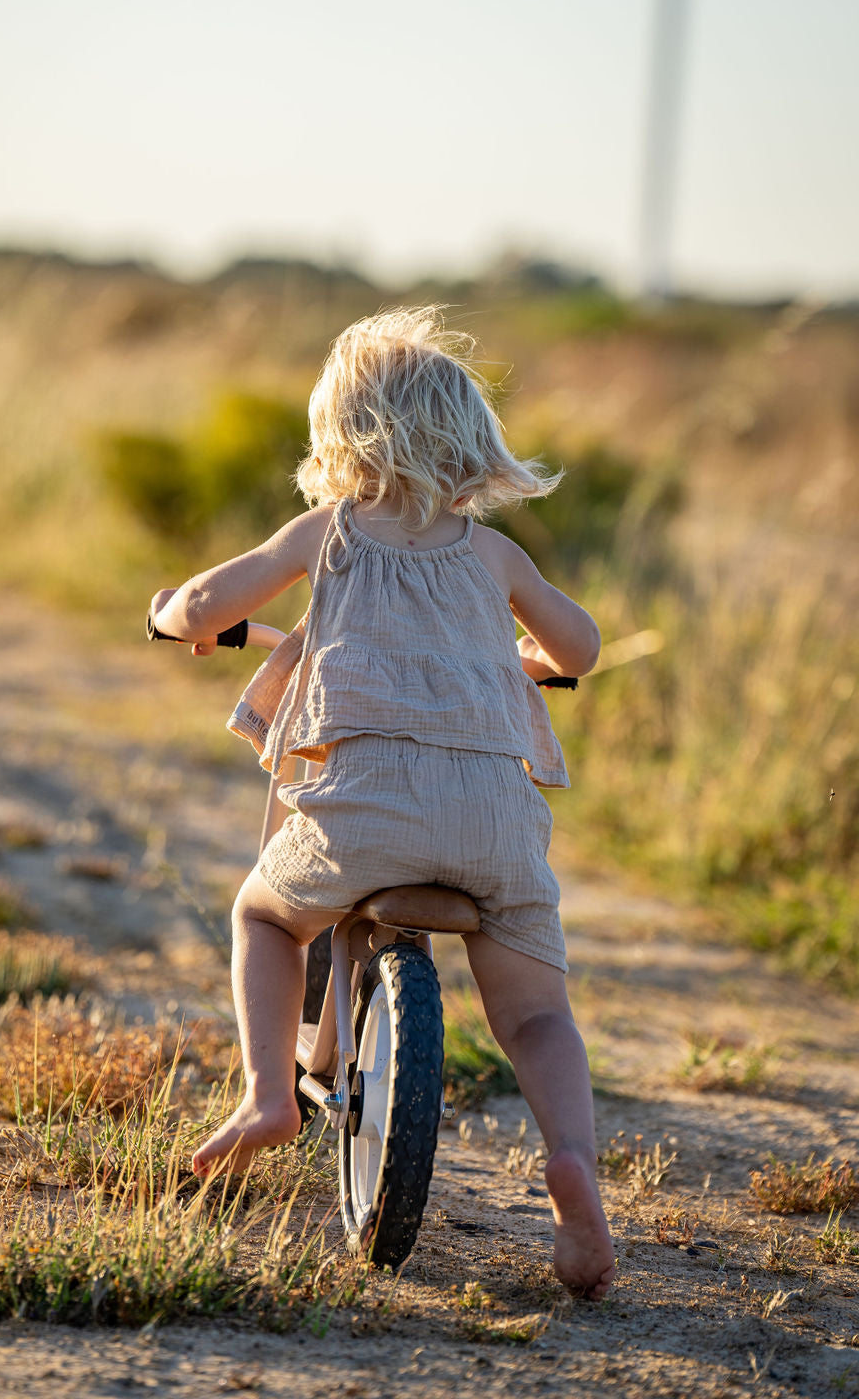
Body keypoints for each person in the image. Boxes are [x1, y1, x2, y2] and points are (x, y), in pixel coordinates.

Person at [150, 307, 615, 1300]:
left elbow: (199, 609)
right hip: (492, 823)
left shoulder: (327, 534)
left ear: (339, 439)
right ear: (468, 449)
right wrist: (524, 655)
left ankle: (267, 1097)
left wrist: (171, 614)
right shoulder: (494, 558)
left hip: (363, 809)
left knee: (267, 916)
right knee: (536, 1015)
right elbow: (580, 651)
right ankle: (572, 1162)